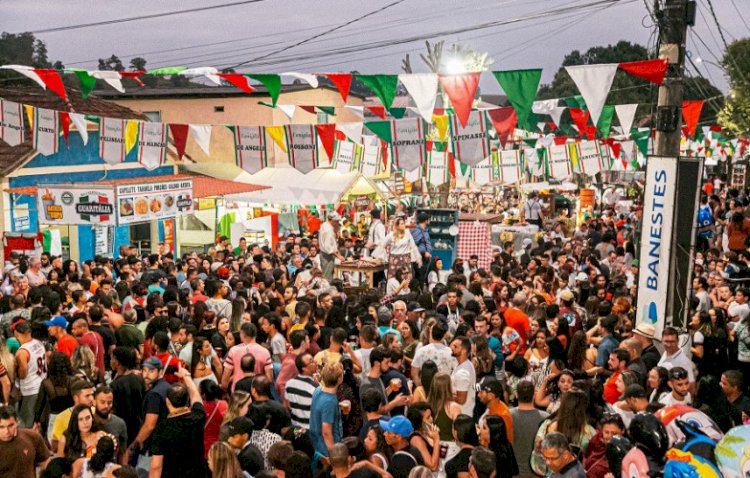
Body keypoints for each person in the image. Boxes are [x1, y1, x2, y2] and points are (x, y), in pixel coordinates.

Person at [149, 365, 207, 478]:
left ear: (167, 402)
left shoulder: (162, 428)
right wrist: (186, 376)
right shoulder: (197, 417)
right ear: (187, 401)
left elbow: (156, 466)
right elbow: (196, 396)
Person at [510, 380, 548, 478]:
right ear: (534, 395)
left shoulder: (507, 415)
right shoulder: (545, 418)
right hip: (537, 472)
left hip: (513, 472)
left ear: (517, 395)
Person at [13, 319, 47, 428]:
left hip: (30, 389)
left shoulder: (22, 351)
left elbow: (23, 373)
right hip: (42, 384)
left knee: (26, 422)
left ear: (16, 334)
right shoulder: (39, 342)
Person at [0, 405, 51, 477]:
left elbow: (46, 463)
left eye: (11, 425)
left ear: (17, 422)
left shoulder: (33, 437)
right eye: (1, 427)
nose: (6, 431)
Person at [310, 361, 344, 456]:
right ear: (339, 379)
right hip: (326, 450)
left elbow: (320, 409)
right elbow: (326, 433)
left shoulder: (318, 390)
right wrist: (334, 456)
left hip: (317, 445)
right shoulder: (329, 402)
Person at [92, 385, 128, 464]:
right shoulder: (87, 422)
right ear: (94, 402)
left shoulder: (120, 424)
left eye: (109, 402)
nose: (106, 406)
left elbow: (122, 453)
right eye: (102, 402)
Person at [285, 352, 319, 429]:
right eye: (312, 361)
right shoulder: (315, 388)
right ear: (304, 369)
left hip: (296, 429)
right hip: (310, 429)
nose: (315, 362)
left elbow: (288, 405)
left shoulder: (289, 384)